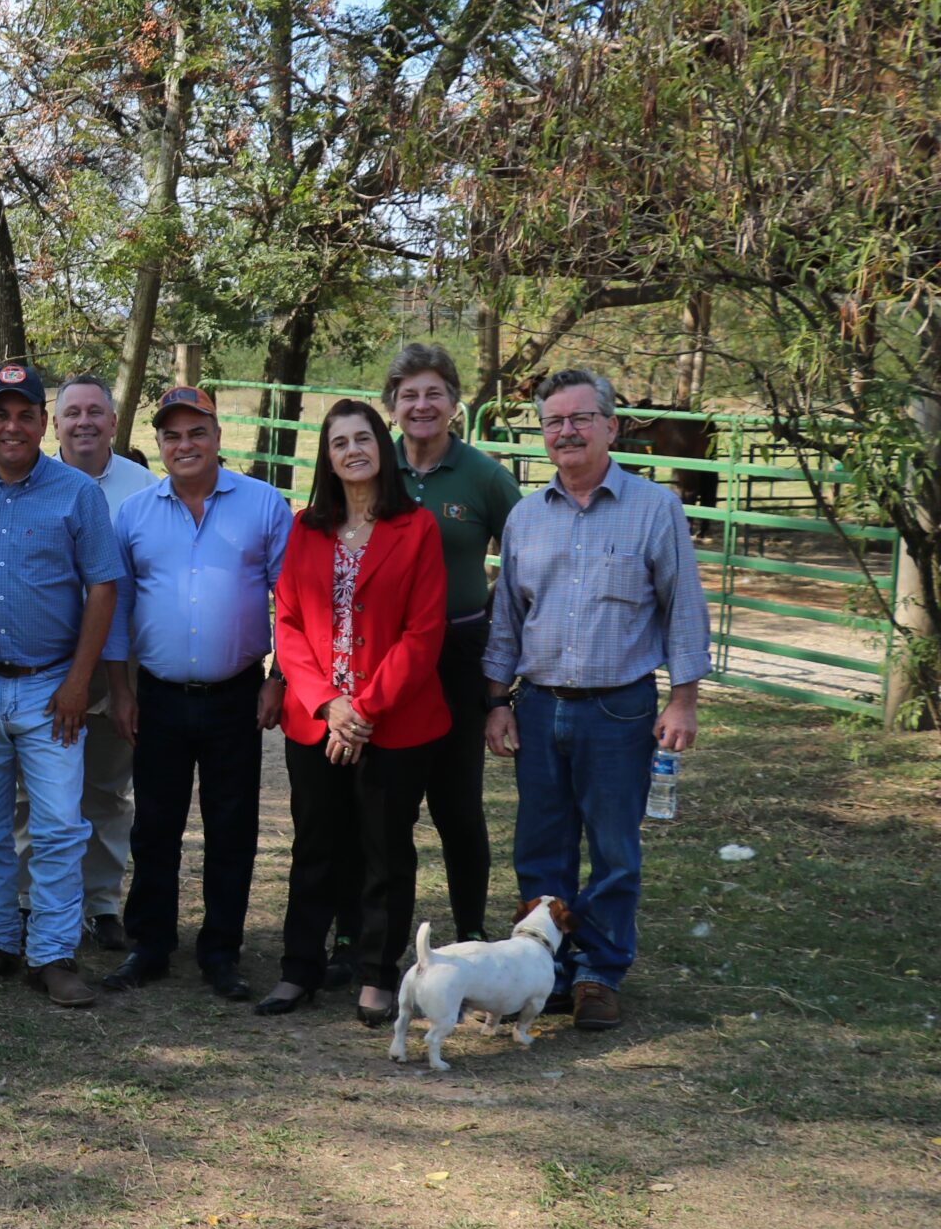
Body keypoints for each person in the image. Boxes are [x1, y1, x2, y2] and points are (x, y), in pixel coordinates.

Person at [484, 368, 709, 1034]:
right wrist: (496, 701)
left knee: (614, 847)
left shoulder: (653, 507)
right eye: (554, 421)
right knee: (541, 843)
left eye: (581, 418)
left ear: (612, 426)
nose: (567, 431)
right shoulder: (525, 516)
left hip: (620, 708)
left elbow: (683, 608)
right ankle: (544, 973)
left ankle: (599, 974)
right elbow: (506, 620)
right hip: (539, 704)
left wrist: (685, 699)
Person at [256, 399, 448, 1025]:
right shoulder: (305, 527)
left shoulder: (416, 529)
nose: (352, 451)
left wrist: (361, 711)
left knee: (384, 850)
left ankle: (376, 972)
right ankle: (299, 969)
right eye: (338, 443)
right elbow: (287, 624)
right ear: (328, 458)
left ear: (381, 447)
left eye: (362, 438)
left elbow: (422, 636)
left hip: (394, 724)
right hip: (316, 718)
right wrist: (328, 704)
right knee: (315, 845)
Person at [0, 363, 123, 1008]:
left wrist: (79, 682)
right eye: (0, 414)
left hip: (53, 689)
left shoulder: (77, 493)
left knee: (57, 827)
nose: (12, 426)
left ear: (44, 423)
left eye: (25, 414)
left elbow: (104, 586)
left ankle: (53, 952)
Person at [101, 386, 291, 1000]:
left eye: (196, 432)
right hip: (157, 693)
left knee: (231, 825)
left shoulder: (264, 506)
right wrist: (120, 691)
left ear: (217, 436)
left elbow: (291, 602)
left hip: (237, 693)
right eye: (172, 435)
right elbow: (118, 604)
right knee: (154, 824)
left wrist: (278, 677)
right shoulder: (133, 513)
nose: (185, 445)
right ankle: (149, 944)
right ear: (159, 445)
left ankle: (221, 950)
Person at [381, 343, 524, 948]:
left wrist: (500, 685)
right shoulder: (369, 463)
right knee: (383, 807)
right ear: (390, 405)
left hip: (457, 655)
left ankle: (469, 928)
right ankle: (371, 936)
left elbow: (524, 570)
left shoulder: (485, 476)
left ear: (455, 402)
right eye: (408, 395)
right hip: (381, 659)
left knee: (458, 805)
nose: (421, 406)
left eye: (433, 393)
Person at [53, 373, 162, 951]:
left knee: (106, 787)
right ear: (56, 424)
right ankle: (32, 902)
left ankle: (101, 903)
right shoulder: (34, 481)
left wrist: (125, 685)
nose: (85, 422)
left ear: (115, 423)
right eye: (72, 412)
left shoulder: (143, 490)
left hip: (120, 664)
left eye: (96, 411)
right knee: (36, 791)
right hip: (48, 661)